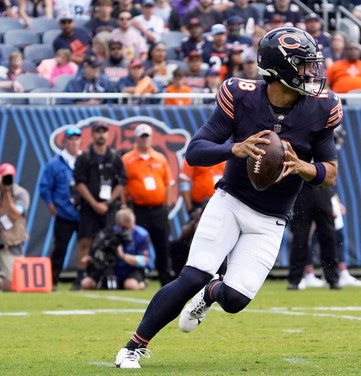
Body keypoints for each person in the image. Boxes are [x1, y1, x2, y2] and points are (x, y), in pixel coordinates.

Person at [114, 27, 342, 368]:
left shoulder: (322, 108)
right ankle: (133, 345)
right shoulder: (241, 95)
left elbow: (330, 172)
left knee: (234, 299)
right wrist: (233, 148)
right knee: (193, 275)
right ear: (279, 68)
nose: (312, 73)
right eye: (302, 65)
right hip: (231, 201)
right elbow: (194, 152)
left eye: (312, 65)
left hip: (272, 218)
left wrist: (302, 168)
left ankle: (211, 294)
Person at [71, 122, 127, 290]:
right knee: (85, 241)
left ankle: (110, 277)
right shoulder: (84, 157)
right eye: (97, 132)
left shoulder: (115, 157)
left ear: (107, 134)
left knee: (110, 241)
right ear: (92, 134)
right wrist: (94, 203)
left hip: (109, 207)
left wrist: (108, 203)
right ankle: (80, 277)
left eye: (104, 131)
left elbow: (121, 182)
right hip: (89, 206)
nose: (100, 135)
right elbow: (79, 183)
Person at [122, 124, 175, 287]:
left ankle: (165, 279)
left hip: (158, 209)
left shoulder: (160, 158)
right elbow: (123, 185)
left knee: (162, 246)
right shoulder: (127, 159)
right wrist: (124, 206)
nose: (144, 139)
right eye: (142, 136)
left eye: (147, 136)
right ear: (136, 138)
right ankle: (139, 277)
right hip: (139, 209)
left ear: (151, 138)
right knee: (137, 245)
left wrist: (167, 205)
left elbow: (168, 183)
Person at [38, 127, 82, 290]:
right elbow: (44, 187)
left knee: (86, 248)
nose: (74, 142)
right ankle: (52, 280)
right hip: (64, 213)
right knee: (60, 249)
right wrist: (51, 207)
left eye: (77, 139)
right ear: (64, 142)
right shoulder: (55, 164)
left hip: (84, 214)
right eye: (71, 139)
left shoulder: (85, 161)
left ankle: (82, 280)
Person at [81, 208, 152, 291]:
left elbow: (143, 261)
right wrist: (92, 258)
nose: (128, 229)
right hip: (112, 268)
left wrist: (122, 255)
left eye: (131, 225)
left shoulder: (142, 235)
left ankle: (142, 284)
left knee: (130, 285)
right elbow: (100, 253)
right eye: (124, 227)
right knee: (86, 284)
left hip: (131, 269)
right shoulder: (109, 234)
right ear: (119, 225)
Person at [286, 184, 341, 290]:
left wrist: (334, 199)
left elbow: (332, 176)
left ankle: (332, 278)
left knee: (328, 237)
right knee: (299, 239)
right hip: (302, 191)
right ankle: (295, 279)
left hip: (323, 190)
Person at [0, 163, 30, 292]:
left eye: (9, 177)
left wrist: (6, 192)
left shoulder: (21, 193)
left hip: (11, 242)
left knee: (15, 284)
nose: (7, 179)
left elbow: (14, 215)